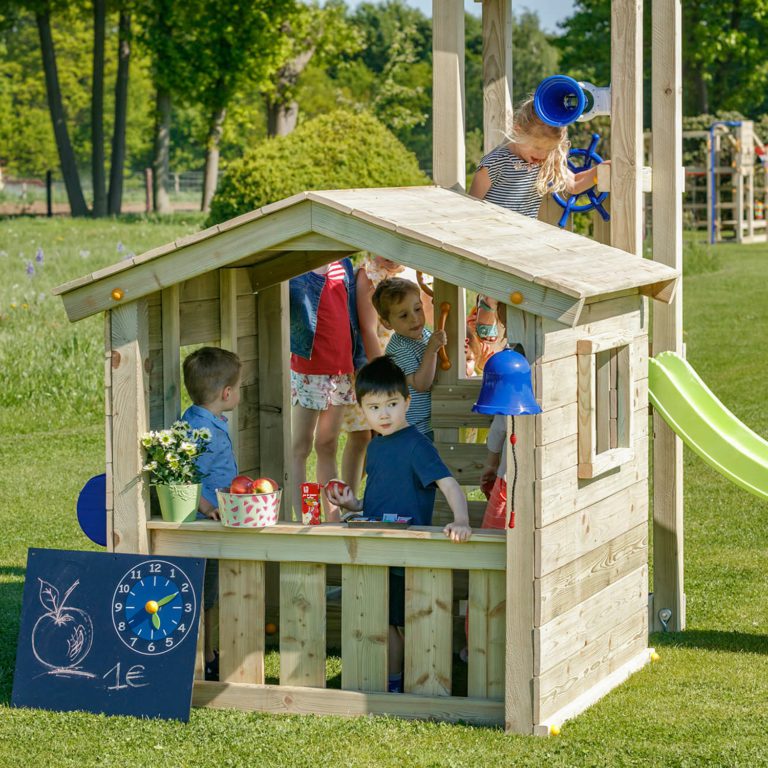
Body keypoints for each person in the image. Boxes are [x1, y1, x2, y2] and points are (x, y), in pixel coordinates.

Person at [327, 355, 472, 693]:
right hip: (379, 550)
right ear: (362, 410)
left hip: (409, 552)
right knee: (384, 621)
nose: (384, 414)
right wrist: (353, 504)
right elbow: (379, 500)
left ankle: (419, 679)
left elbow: (448, 484)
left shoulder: (416, 445)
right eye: (374, 407)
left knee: (411, 622)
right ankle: (394, 682)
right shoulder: (375, 448)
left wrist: (461, 520)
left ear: (407, 402)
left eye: (392, 404)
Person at [341, 256, 433, 493]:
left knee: (389, 437)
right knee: (362, 435)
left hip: (409, 360)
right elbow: (368, 330)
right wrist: (382, 375)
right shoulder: (368, 274)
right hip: (377, 366)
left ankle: (379, 491)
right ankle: (350, 498)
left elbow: (425, 314)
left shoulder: (414, 272)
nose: (391, 257)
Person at [181, 346, 242, 682]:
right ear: (226, 393)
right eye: (239, 387)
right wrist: (207, 506)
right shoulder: (200, 431)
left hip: (214, 518)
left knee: (211, 592)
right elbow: (189, 473)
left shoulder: (205, 420)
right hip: (205, 524)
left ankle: (210, 652)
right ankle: (204, 656)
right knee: (205, 593)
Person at [290, 259, 366, 520]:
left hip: (341, 369)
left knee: (327, 444)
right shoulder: (295, 268)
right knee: (301, 447)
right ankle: (305, 516)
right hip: (308, 369)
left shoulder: (343, 264)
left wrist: (358, 362)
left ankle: (332, 520)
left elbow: (351, 316)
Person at [469, 96, 606, 216]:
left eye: (550, 149)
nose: (543, 155)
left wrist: (603, 170)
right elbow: (471, 207)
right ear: (518, 132)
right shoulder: (495, 163)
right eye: (538, 147)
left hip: (525, 239)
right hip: (492, 238)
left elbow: (575, 184)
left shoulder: (545, 162)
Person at [371, 277, 446, 439]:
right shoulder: (400, 349)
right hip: (414, 428)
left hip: (428, 422)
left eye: (418, 309)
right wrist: (432, 350)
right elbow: (421, 384)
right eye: (404, 315)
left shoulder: (423, 334)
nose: (414, 318)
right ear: (387, 322)